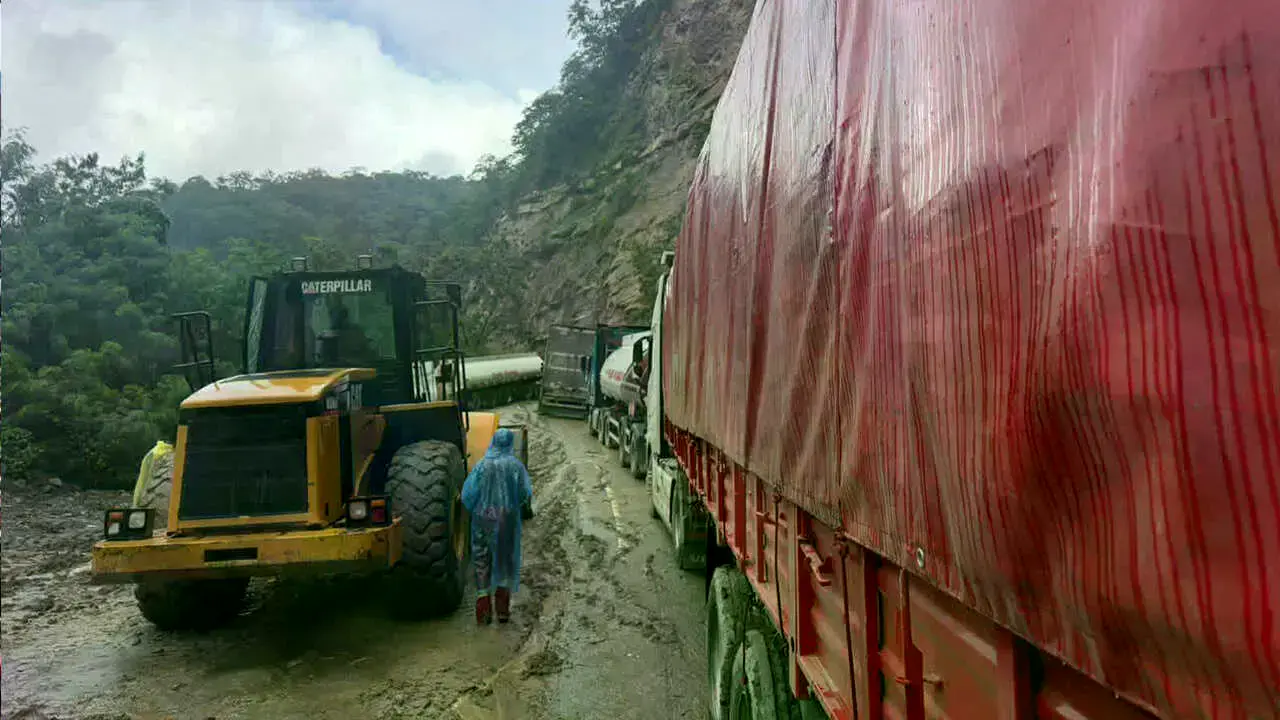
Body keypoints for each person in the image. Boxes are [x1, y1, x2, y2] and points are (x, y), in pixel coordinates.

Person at [461, 428, 533, 625]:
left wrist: (479, 510)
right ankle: (502, 613)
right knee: (504, 561)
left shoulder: (481, 466)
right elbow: (524, 494)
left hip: (482, 519)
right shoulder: (516, 467)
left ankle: (483, 614)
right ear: (509, 444)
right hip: (506, 519)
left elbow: (467, 496)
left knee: (481, 561)